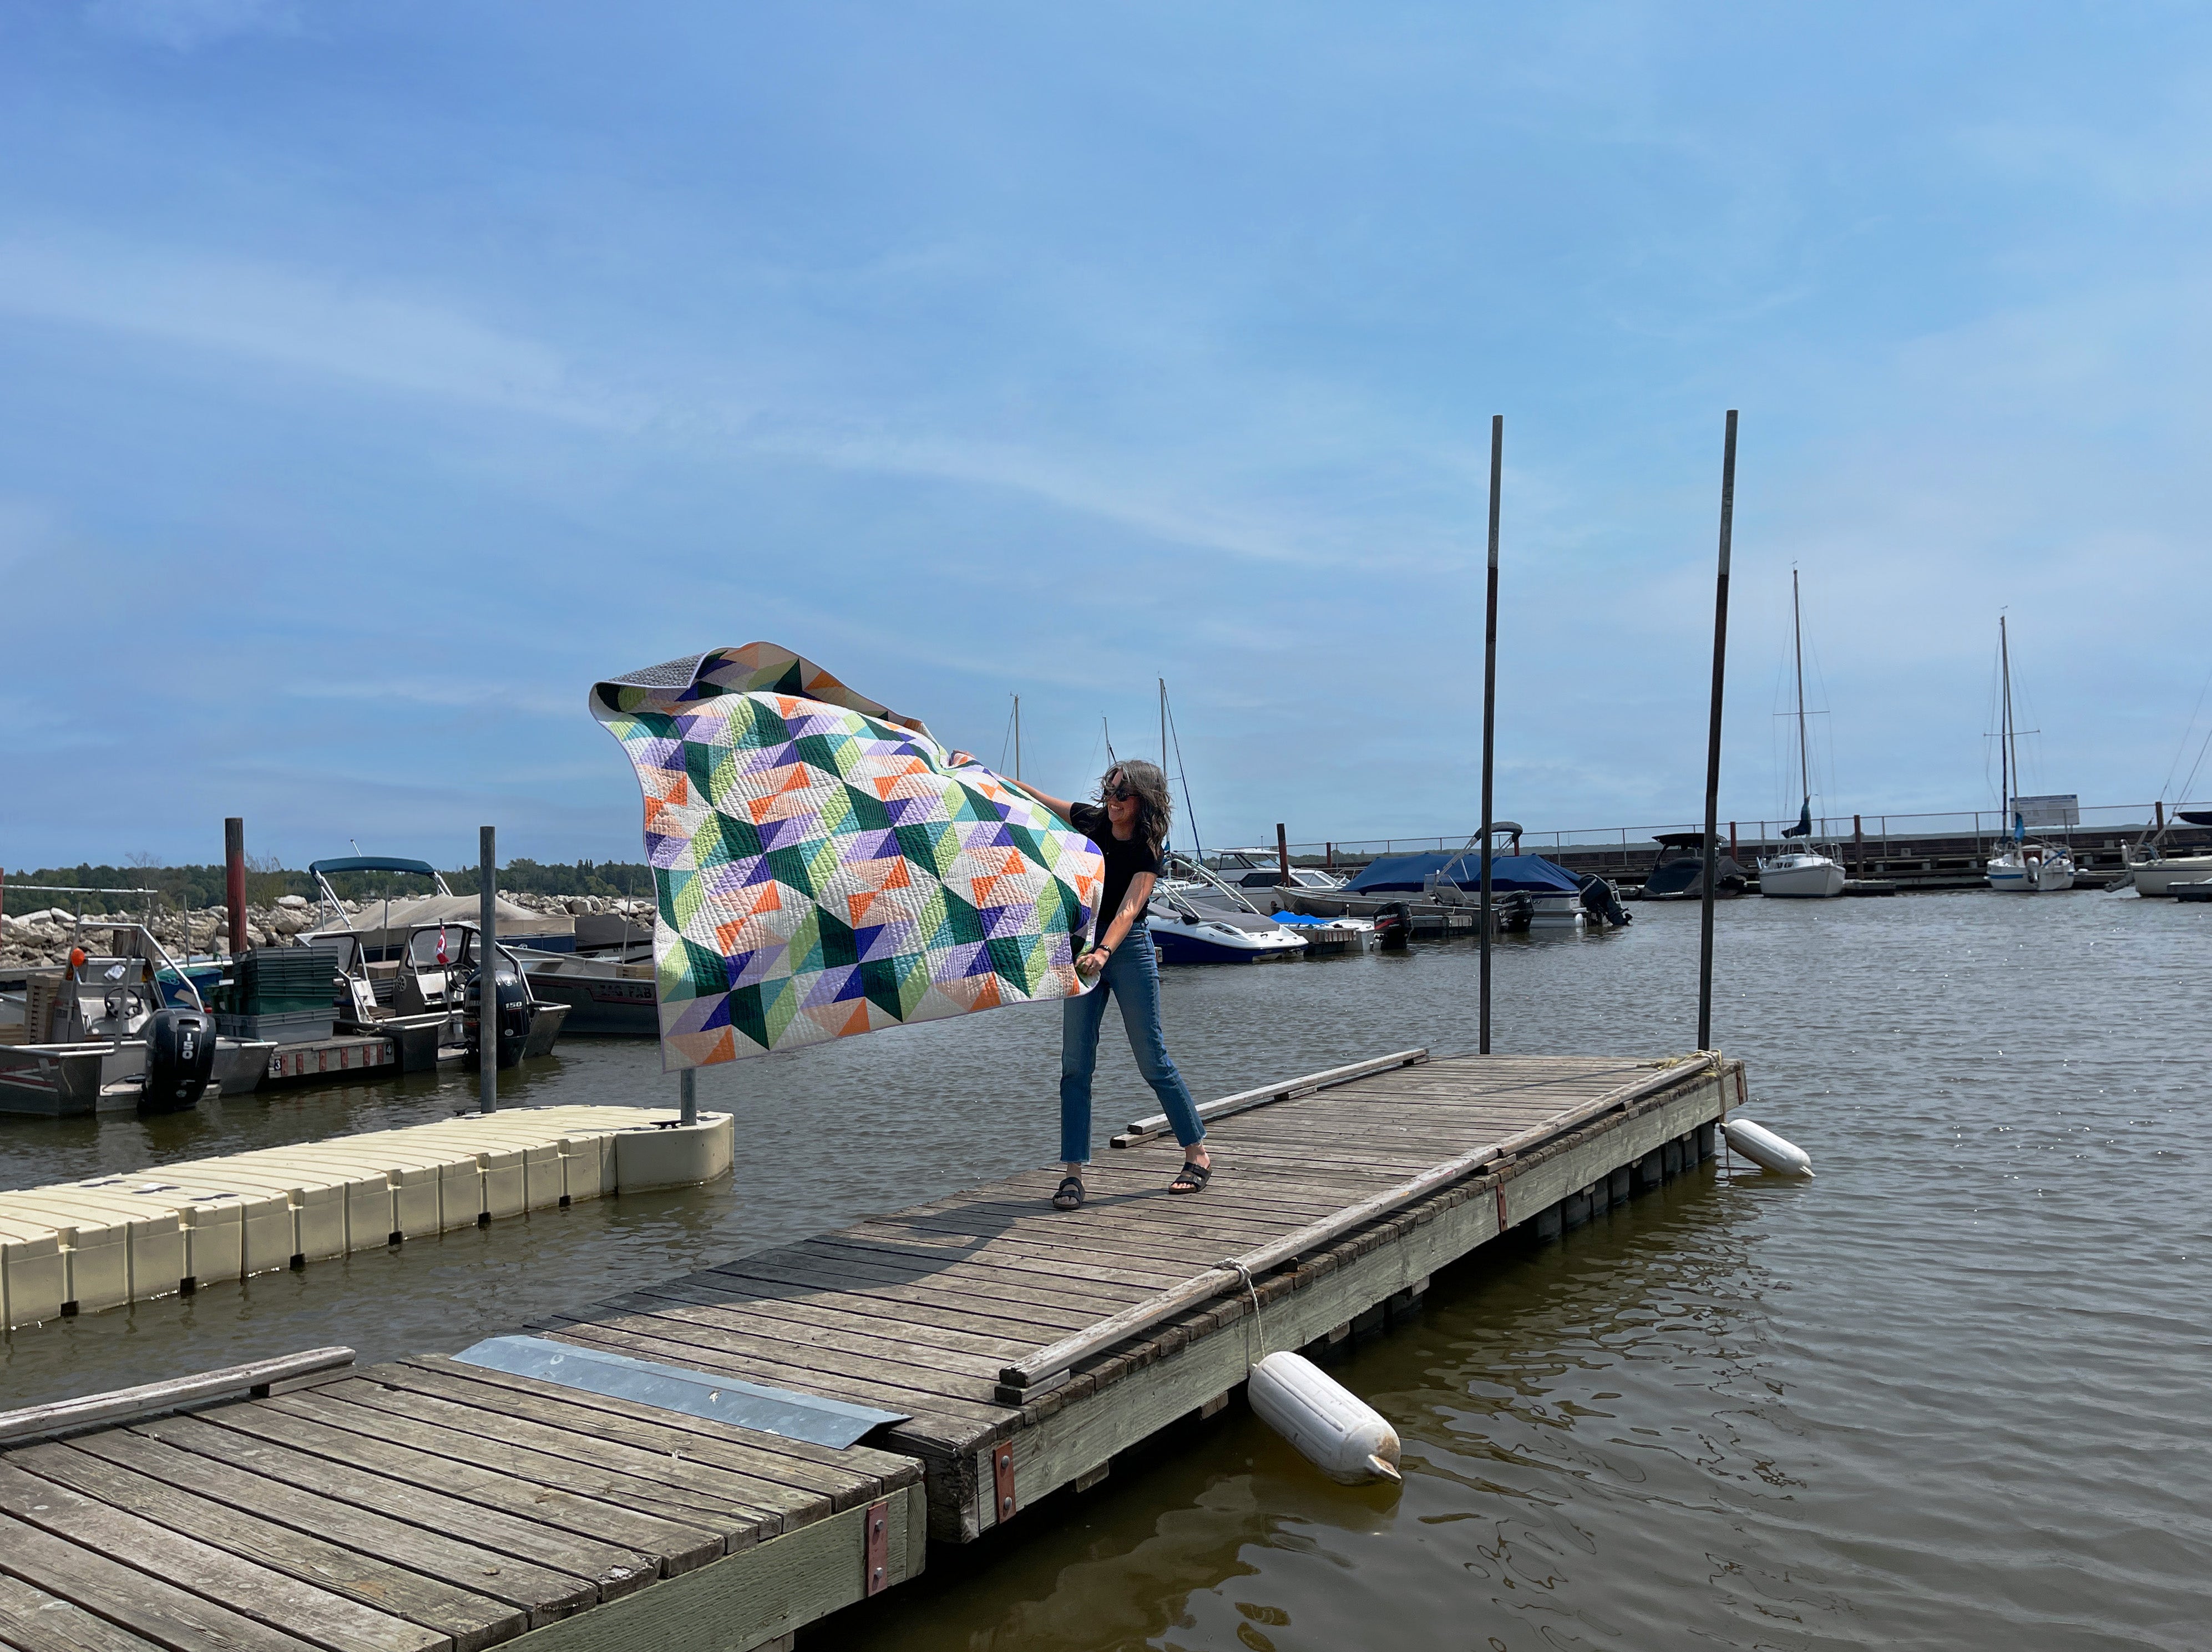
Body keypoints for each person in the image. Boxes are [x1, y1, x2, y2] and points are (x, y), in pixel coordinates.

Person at [1022, 760, 1210, 1210]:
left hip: (1125, 952)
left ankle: (1198, 1155)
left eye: (1121, 795)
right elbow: (1033, 797)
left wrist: (1102, 953)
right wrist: (980, 773)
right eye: (1108, 791)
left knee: (1153, 1061)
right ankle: (1072, 1174)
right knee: (1074, 1067)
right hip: (1085, 949)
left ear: (1143, 799)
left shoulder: (1147, 847)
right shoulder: (1093, 820)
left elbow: (1129, 909)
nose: (1112, 801)